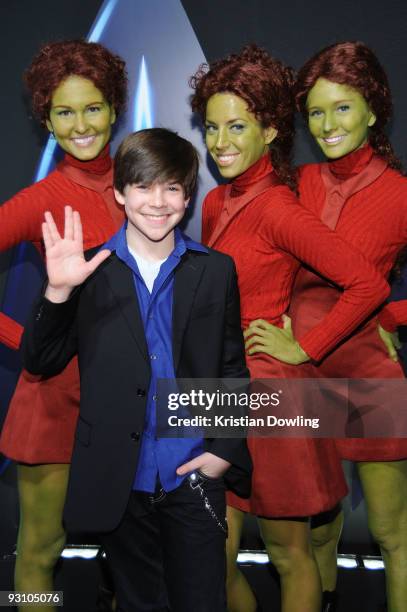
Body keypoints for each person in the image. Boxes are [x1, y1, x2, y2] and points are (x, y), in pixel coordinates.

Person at [190, 45, 390, 612]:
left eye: (236, 126)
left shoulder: (279, 207)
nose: (220, 142)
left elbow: (368, 286)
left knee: (287, 554)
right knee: (213, 554)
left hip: (272, 396)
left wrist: (305, 349)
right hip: (219, 392)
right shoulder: (214, 203)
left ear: (271, 129)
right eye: (211, 126)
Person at [21, 127, 252, 612]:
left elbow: (231, 368)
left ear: (188, 197)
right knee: (138, 602)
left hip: (193, 474)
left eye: (172, 187)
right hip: (119, 479)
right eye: (144, 186)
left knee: (203, 602)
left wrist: (224, 452)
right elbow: (41, 360)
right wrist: (58, 292)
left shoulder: (215, 270)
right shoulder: (87, 271)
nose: (158, 201)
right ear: (121, 192)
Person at [253, 41, 407, 612]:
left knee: (394, 535)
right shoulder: (297, 183)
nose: (327, 124)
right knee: (317, 527)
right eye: (315, 112)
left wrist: (387, 316)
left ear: (373, 109)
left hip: (367, 375)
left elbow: (370, 286)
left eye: (342, 108)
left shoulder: (400, 194)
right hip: (298, 379)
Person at [0, 40, 127, 610]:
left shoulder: (142, 185)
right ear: (46, 120)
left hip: (127, 397)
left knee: (132, 548)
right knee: (41, 549)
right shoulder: (41, 199)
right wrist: (28, 341)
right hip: (54, 396)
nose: (81, 124)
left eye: (92, 107)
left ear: (114, 109)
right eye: (64, 111)